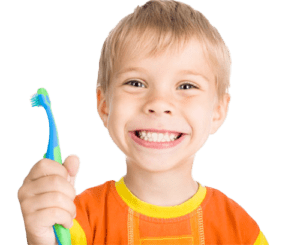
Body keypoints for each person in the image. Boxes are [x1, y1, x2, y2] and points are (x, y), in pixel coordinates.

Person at [17, 0, 269, 244]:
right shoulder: (75, 221)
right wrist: (40, 237)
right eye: (135, 83)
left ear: (218, 110)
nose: (159, 103)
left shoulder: (240, 230)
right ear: (104, 103)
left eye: (186, 86)